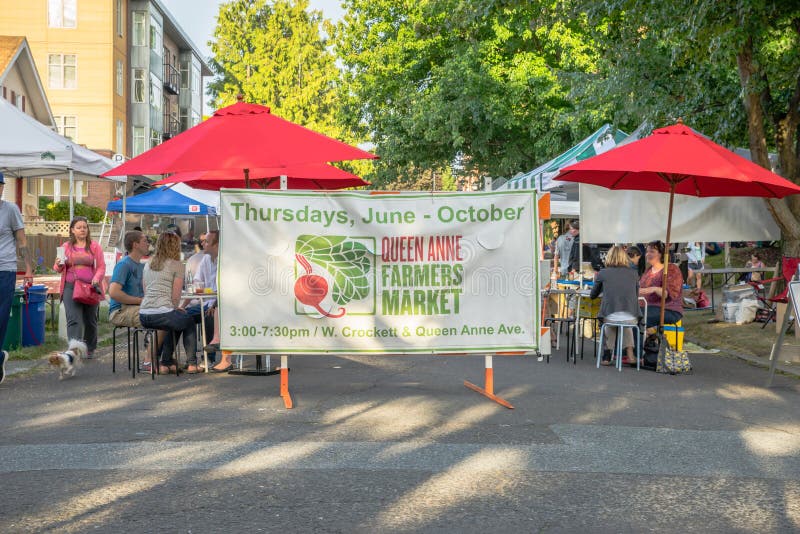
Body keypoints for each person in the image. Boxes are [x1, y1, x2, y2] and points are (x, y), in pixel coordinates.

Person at [139, 232, 200, 374]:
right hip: (162, 313)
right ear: (175, 247)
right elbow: (176, 296)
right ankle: (191, 364)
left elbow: (145, 290)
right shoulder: (176, 265)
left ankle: (166, 361)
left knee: (176, 321)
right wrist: (175, 307)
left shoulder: (148, 263)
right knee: (188, 321)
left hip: (144, 314)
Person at [54, 216, 106, 358]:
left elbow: (101, 267)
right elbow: (57, 267)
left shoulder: (95, 246)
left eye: (84, 227)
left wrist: (96, 279)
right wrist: (59, 264)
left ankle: (89, 349)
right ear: (72, 230)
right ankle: (74, 351)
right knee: (73, 319)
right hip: (70, 287)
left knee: (90, 320)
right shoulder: (66, 247)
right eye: (79, 227)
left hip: (90, 288)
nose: (82, 230)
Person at [1, 173, 34, 380]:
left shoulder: (10, 210)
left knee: (2, 314)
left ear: (3, 188)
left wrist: (29, 267)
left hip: (5, 268)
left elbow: (21, 240)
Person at [591, 246, 641, 366]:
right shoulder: (634, 273)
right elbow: (635, 294)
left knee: (610, 321)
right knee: (625, 321)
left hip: (610, 316)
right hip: (632, 317)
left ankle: (607, 355)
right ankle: (630, 354)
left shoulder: (603, 273)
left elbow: (593, 295)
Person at [639, 240, 684, 327]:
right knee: (627, 316)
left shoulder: (671, 269)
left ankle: (640, 338)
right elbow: (640, 290)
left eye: (652, 251)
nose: (648, 254)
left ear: (661, 254)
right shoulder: (648, 271)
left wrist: (654, 289)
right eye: (647, 251)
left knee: (639, 318)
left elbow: (669, 294)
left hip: (668, 309)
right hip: (645, 307)